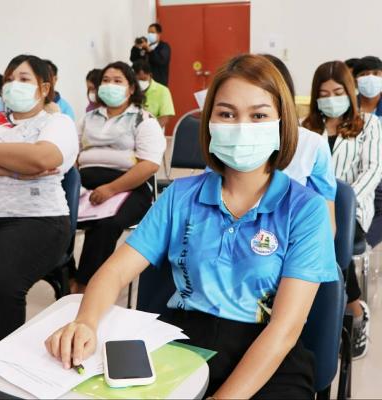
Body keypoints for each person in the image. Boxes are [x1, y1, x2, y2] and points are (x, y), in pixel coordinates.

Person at [46, 54, 338, 399]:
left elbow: (285, 328)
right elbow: (115, 271)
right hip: (182, 345)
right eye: (226, 114)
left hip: (268, 357)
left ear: (281, 123)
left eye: (258, 115)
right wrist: (85, 321)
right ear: (209, 121)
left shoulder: (305, 209)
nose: (241, 127)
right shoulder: (180, 196)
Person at [0, 54, 78, 344]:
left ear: (44, 88)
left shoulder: (57, 123)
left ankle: (3, 361)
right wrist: (15, 169)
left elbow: (42, 158)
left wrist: (22, 160)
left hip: (37, 219)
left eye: (24, 79)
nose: (14, 85)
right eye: (9, 79)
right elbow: (29, 162)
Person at [303, 60, 382, 359]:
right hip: (311, 210)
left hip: (353, 211)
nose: (331, 99)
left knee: (332, 237)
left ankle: (351, 308)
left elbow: (373, 170)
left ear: (349, 92)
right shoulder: (307, 127)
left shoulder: (368, 124)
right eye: (324, 94)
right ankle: (335, 307)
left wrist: (343, 203)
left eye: (337, 92)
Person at [74, 61, 166, 293]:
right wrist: (74, 181)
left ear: (131, 88)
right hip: (84, 184)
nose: (110, 85)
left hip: (128, 186)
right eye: (105, 80)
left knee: (106, 224)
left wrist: (111, 189)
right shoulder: (88, 118)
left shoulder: (143, 119)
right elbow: (72, 154)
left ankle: (87, 287)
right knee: (57, 217)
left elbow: (149, 165)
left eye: (117, 81)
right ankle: (66, 275)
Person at [263, 55, 336, 232]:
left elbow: (327, 225)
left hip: (291, 236)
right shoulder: (228, 144)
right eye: (229, 114)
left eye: (258, 113)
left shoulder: (312, 145)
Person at [352, 56, 382, 249]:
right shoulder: (348, 107)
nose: (370, 78)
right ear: (355, 80)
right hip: (356, 168)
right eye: (364, 74)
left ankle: (364, 245)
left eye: (376, 73)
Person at [132, 60, 175, 129]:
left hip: (153, 130)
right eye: (138, 80)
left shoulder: (162, 90)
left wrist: (150, 129)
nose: (141, 82)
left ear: (150, 75)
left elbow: (165, 117)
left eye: (144, 79)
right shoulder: (130, 89)